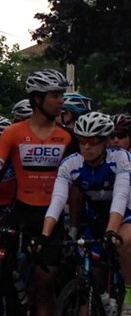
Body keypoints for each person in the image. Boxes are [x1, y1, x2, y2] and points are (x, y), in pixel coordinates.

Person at [0, 69, 74, 315]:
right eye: (55, 95)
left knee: (41, 287)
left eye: (61, 95)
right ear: (37, 99)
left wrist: (75, 224)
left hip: (51, 218)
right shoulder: (14, 132)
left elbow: (77, 185)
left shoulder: (67, 137)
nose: (61, 101)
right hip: (20, 211)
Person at [38, 112, 131, 314]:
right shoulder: (71, 163)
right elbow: (57, 201)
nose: (86, 147)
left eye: (93, 142)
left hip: (124, 214)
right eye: (82, 141)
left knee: (125, 240)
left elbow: (121, 196)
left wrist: (111, 231)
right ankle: (101, 297)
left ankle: (130, 297)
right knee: (86, 264)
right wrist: (45, 234)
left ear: (106, 141)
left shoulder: (120, 158)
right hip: (96, 217)